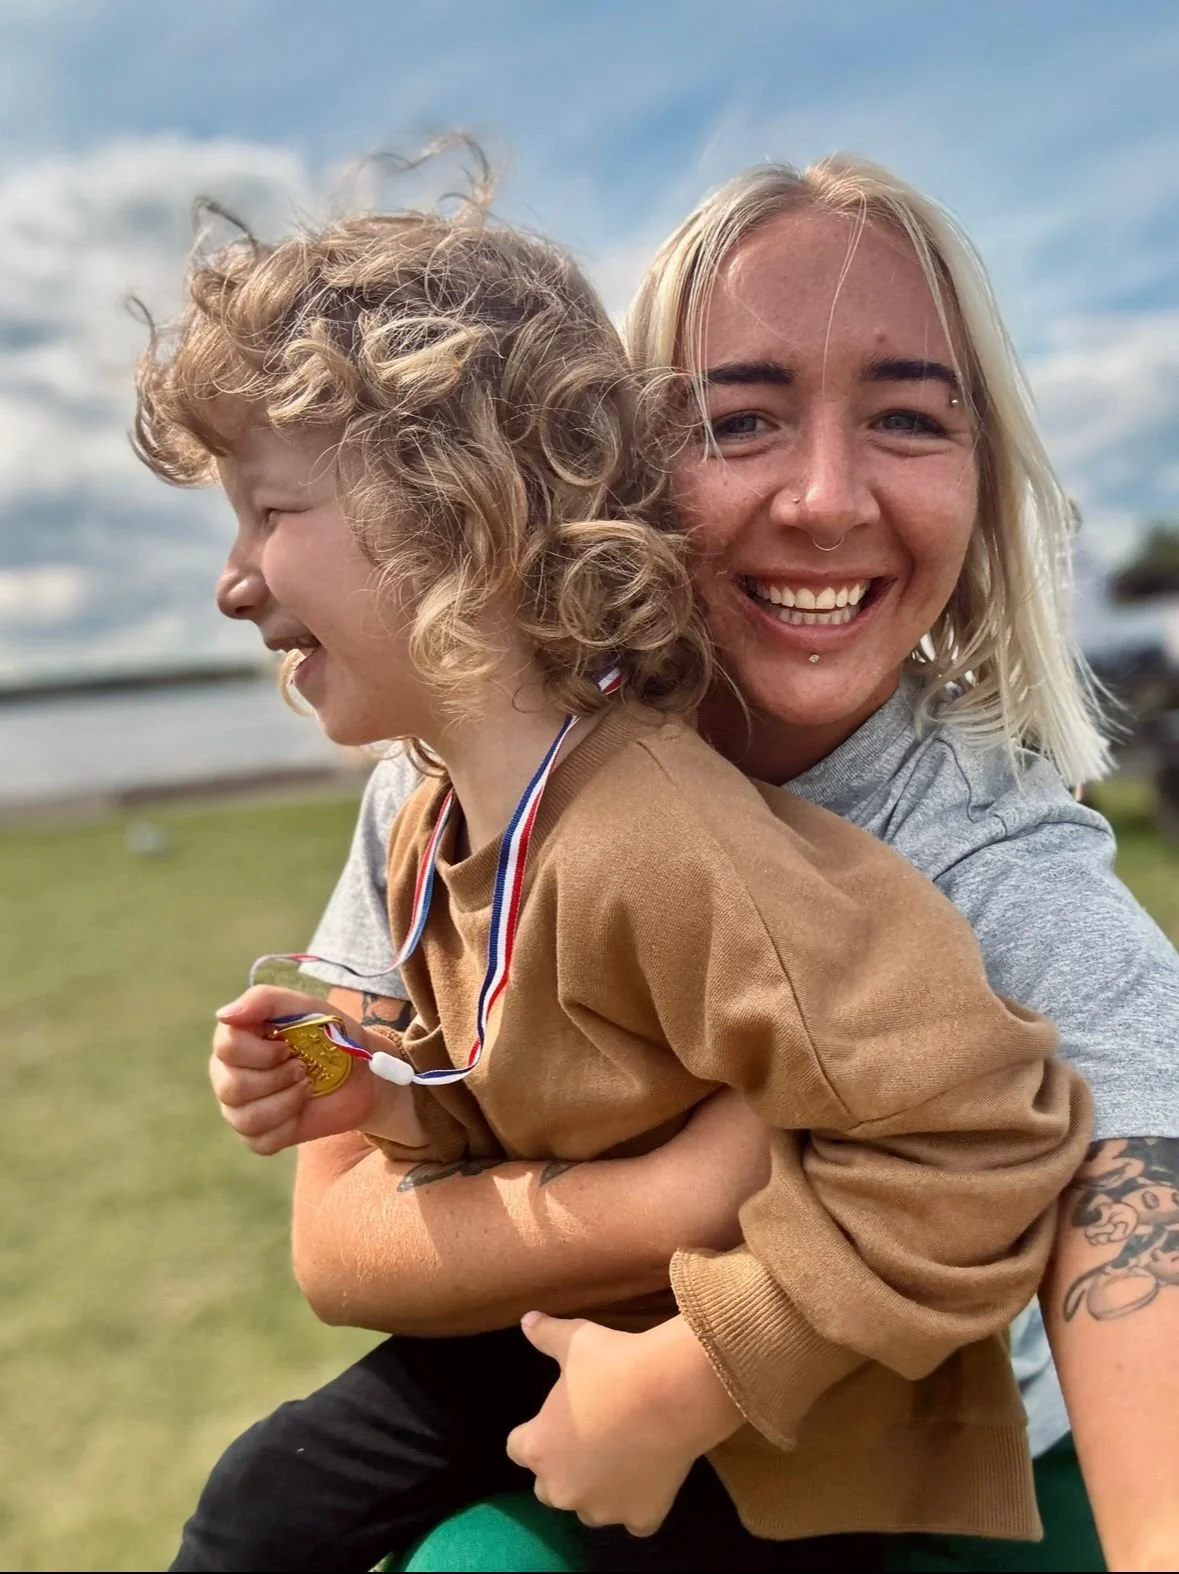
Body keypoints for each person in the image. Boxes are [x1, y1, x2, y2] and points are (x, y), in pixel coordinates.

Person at [133, 184, 1091, 1573]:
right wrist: (380, 1093)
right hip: (574, 1308)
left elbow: (988, 1136)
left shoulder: (675, 843)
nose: (233, 582)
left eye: (269, 513)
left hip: (789, 1413)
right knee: (261, 1503)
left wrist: (702, 1367)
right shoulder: (431, 816)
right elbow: (544, 1096)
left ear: (450, 521)